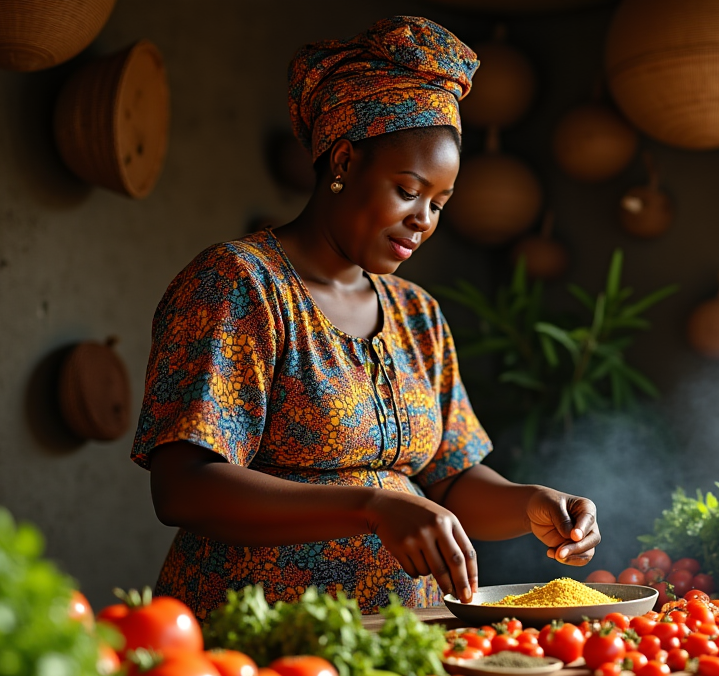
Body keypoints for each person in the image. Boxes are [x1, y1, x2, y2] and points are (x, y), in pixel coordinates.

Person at [131, 16, 601, 618]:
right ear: (346, 163)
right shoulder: (240, 285)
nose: (423, 220)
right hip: (259, 642)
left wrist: (531, 503)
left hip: (404, 638)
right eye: (408, 190)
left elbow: (450, 478)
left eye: (438, 203)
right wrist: (369, 506)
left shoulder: (417, 315)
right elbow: (184, 487)